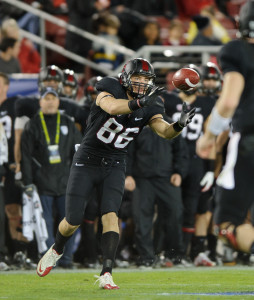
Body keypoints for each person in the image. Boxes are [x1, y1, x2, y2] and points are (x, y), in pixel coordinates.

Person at [36, 57, 195, 289]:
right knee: (73, 220)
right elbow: (111, 107)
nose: (142, 83)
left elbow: (165, 132)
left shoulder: (152, 104)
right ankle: (57, 249)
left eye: (146, 79)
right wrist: (138, 104)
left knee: (111, 215)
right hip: (87, 159)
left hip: (115, 162)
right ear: (126, 77)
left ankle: (107, 272)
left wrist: (179, 125)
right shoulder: (110, 87)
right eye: (138, 77)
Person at [196, 0, 254, 258]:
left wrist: (209, 135)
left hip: (249, 140)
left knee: (226, 226)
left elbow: (229, 101)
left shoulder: (237, 50)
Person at [21, 87, 82, 268]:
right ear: (40, 102)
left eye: (52, 98)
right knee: (45, 224)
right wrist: (29, 182)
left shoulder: (67, 122)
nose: (49, 102)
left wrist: (79, 176)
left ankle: (67, 259)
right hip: (42, 182)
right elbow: (25, 156)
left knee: (69, 222)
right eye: (46, 99)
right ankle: (48, 262)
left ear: (58, 101)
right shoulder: (32, 124)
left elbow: (78, 150)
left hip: (65, 182)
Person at [127, 116, 189, 268]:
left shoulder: (172, 125)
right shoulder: (137, 125)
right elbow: (127, 152)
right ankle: (146, 258)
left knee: (175, 213)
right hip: (142, 179)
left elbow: (181, 152)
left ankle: (175, 255)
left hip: (166, 178)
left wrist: (179, 172)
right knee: (142, 220)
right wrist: (127, 174)